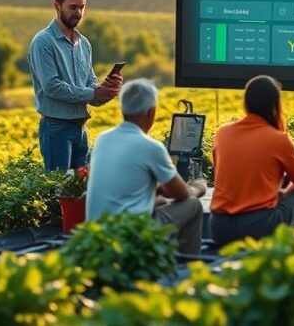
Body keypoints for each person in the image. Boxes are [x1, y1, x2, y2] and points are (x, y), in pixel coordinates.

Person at [86, 79, 206, 254]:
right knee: (193, 205)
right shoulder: (150, 146)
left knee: (162, 201)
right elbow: (181, 194)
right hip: (132, 234)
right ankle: (188, 266)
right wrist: (198, 187)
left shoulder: (102, 139)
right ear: (152, 112)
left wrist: (157, 190)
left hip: (99, 232)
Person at [209, 75, 294, 248]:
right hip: (258, 227)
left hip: (219, 228)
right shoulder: (278, 139)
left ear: (246, 103)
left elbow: (226, 176)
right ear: (275, 105)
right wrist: (286, 191)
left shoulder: (221, 133)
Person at [29, 0, 122, 171]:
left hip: (81, 129)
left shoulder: (84, 43)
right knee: (59, 191)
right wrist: (93, 94)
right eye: (72, 7)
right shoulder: (43, 42)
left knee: (80, 192)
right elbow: (52, 87)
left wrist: (105, 90)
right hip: (56, 129)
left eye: (82, 7)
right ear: (56, 6)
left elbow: (89, 81)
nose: (78, 13)